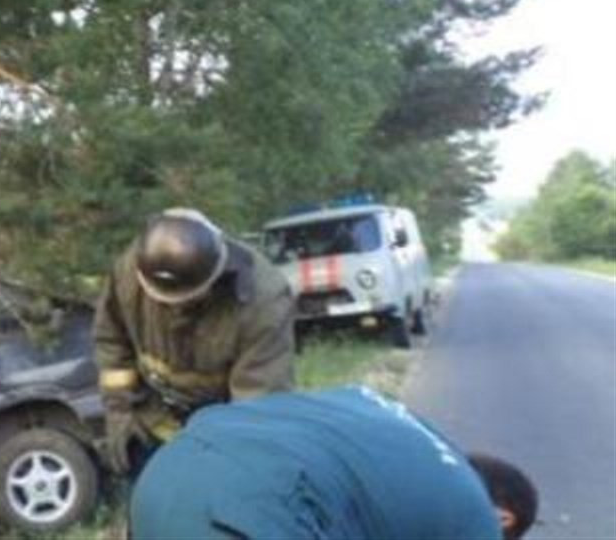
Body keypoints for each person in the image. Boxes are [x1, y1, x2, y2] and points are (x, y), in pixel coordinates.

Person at [130, 385, 538, 540]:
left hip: (162, 476)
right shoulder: (475, 519)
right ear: (503, 517)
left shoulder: (403, 424)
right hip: (250, 512)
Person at [94, 207, 296, 474]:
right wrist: (120, 413)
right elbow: (112, 342)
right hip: (151, 417)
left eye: (188, 300)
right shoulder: (133, 270)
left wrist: (240, 461)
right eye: (163, 302)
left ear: (215, 277)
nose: (176, 311)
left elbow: (258, 401)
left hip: (226, 422)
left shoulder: (262, 300)